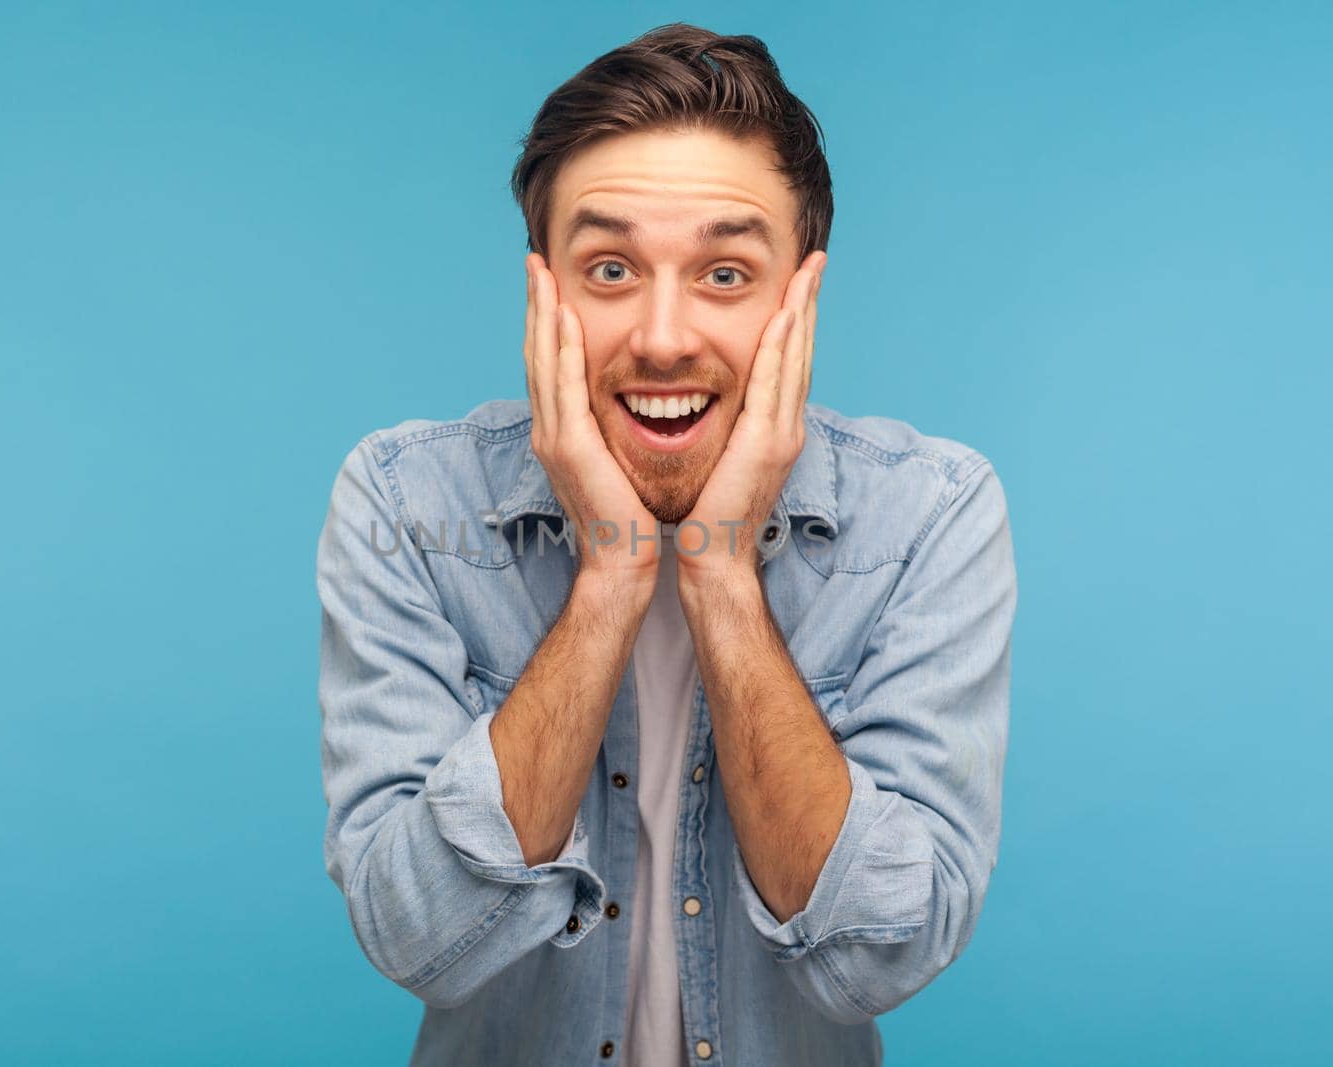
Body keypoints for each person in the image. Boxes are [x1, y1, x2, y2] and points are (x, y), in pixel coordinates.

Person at [316, 22, 1017, 1067]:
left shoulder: (932, 512)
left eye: (725, 275)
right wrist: (611, 575)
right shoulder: (405, 498)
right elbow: (419, 937)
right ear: (541, 289)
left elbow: (882, 954)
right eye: (608, 268)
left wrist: (722, 571)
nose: (660, 336)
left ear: (799, 298)